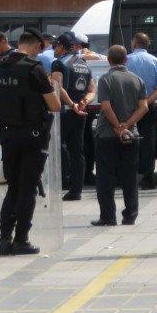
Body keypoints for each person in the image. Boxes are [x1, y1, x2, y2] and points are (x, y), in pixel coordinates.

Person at [0, 29, 61, 256]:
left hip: (7, 135)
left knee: (13, 188)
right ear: (38, 46)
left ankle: (3, 240)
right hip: (33, 137)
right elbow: (55, 105)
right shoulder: (33, 68)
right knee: (27, 189)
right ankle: (21, 239)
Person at [93, 45, 149, 227]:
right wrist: (128, 125)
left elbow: (106, 106)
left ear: (109, 60)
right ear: (126, 60)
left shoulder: (105, 79)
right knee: (129, 176)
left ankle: (108, 216)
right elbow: (144, 107)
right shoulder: (137, 80)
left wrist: (117, 126)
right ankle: (130, 215)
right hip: (131, 135)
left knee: (105, 177)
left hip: (107, 135)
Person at [50, 31, 94, 202]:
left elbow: (57, 88)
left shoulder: (58, 64)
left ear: (61, 47)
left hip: (65, 112)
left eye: (55, 46)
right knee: (77, 150)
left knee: (58, 146)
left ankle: (64, 180)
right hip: (80, 113)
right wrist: (83, 103)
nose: (54, 49)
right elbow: (92, 90)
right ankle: (77, 190)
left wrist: (72, 104)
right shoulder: (84, 64)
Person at [125, 33, 157, 190]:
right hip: (149, 106)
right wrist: (146, 103)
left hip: (129, 107)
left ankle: (129, 176)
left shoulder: (126, 60)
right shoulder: (156, 62)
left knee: (128, 140)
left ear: (134, 44)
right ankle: (148, 178)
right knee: (148, 141)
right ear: (148, 45)